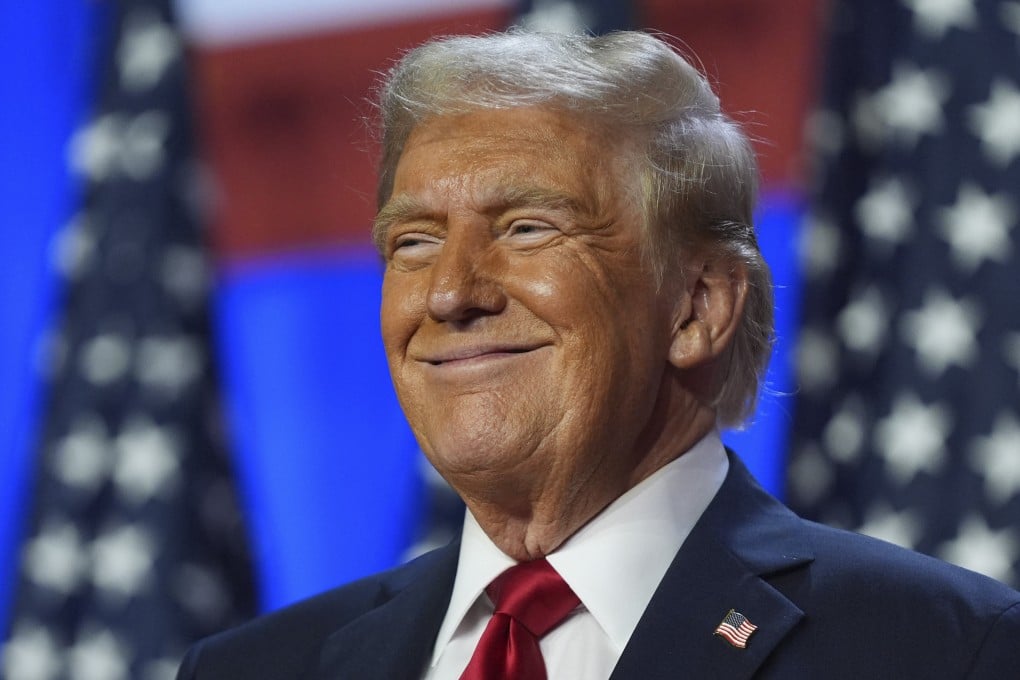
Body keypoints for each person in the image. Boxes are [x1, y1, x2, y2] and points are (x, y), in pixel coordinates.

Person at [177, 30, 1020, 679]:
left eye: (526, 228)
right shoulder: (255, 669)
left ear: (697, 306)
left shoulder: (944, 649)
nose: (449, 292)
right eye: (412, 243)